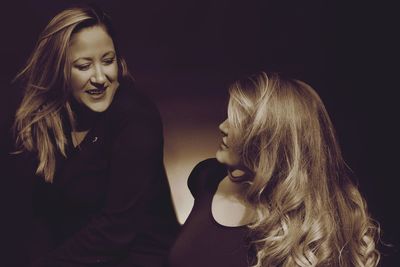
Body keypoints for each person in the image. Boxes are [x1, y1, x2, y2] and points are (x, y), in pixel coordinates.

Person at [5, 4, 180, 267]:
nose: (100, 77)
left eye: (108, 61)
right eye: (84, 65)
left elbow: (114, 232)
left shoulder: (136, 117)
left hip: (139, 258)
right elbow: (33, 215)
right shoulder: (43, 119)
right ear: (58, 70)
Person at [168, 72, 380, 267]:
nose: (223, 126)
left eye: (238, 122)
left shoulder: (313, 225)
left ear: (269, 140)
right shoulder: (206, 178)